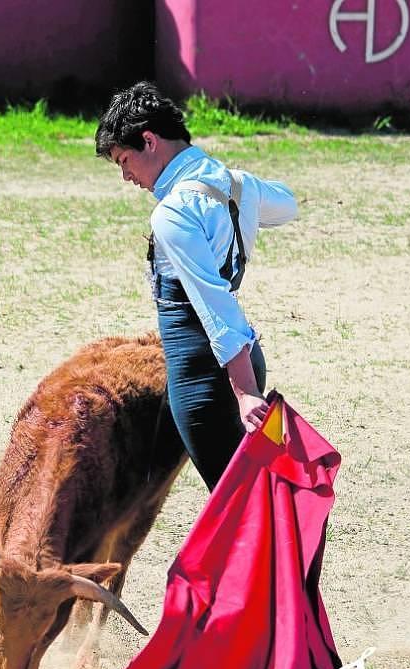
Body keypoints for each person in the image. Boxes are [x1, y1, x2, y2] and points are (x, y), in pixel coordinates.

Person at [95, 82, 298, 492]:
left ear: (149, 141)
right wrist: (237, 190)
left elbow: (214, 307)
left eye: (124, 160)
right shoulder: (234, 185)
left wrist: (245, 393)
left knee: (244, 510)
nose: (126, 176)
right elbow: (288, 205)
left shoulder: (172, 214)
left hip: (207, 380)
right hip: (239, 361)